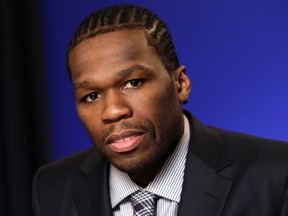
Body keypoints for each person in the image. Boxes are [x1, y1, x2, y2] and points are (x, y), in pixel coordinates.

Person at [32, 4, 288, 216]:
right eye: (92, 95)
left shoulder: (275, 173)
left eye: (133, 83)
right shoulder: (52, 188)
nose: (112, 111)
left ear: (180, 84)